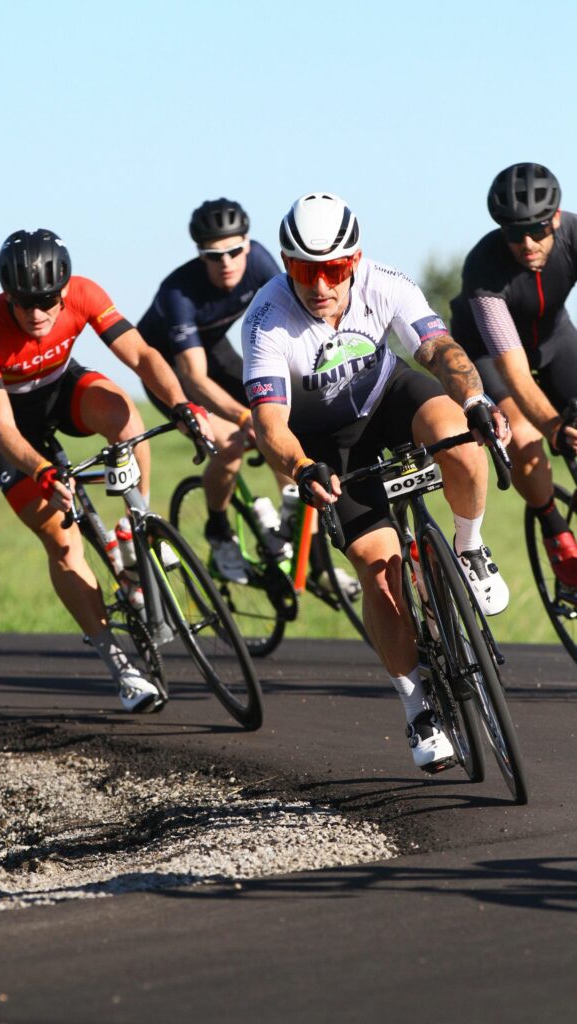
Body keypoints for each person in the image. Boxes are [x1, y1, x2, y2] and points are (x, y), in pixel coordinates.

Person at [242, 191, 510, 772]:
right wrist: (303, 468)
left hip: (388, 398)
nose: (319, 286)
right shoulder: (266, 320)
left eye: (334, 270)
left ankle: (470, 547)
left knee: (461, 436)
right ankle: (417, 706)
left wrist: (476, 397)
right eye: (304, 271)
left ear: (354, 260)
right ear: (287, 265)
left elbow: (438, 347)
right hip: (326, 444)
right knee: (381, 573)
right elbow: (269, 424)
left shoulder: (385, 282)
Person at [0, 228, 213, 714]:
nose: (36, 315)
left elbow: (141, 355)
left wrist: (182, 406)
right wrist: (42, 471)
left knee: (126, 419)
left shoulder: (84, 294)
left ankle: (135, 523)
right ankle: (120, 665)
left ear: (64, 289)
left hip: (59, 389)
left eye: (47, 301)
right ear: (6, 295)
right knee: (61, 539)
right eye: (23, 303)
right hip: (14, 426)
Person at [138, 198, 360, 598]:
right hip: (171, 372)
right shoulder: (179, 294)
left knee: (283, 425)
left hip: (214, 348)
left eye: (235, 250)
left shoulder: (260, 262)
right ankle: (219, 531)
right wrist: (243, 419)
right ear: (200, 255)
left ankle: (306, 551)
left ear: (248, 244)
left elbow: (293, 323)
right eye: (214, 255)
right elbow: (193, 377)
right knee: (230, 442)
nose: (227, 262)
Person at [450, 162, 577, 587]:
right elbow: (517, 373)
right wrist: (556, 427)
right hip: (490, 356)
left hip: (555, 340)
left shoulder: (573, 236)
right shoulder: (483, 269)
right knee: (525, 437)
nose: (526, 243)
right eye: (513, 233)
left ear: (555, 218)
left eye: (538, 230)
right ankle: (554, 529)